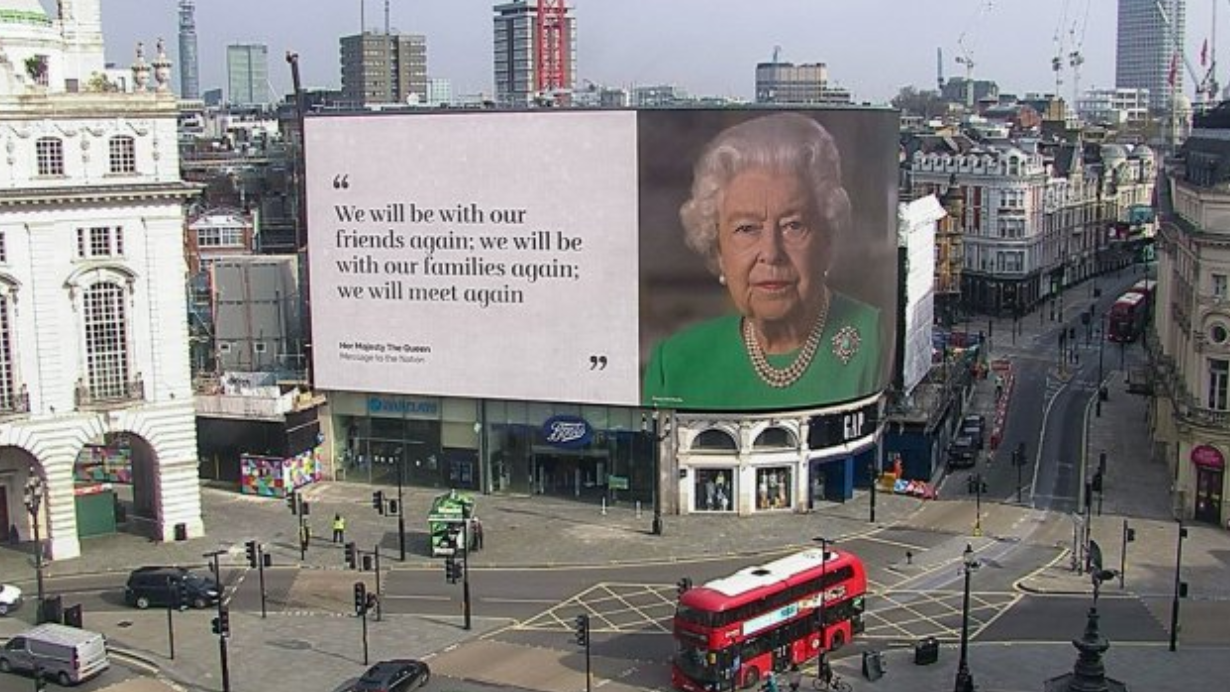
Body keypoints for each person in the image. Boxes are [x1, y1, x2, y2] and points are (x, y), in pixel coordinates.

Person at [642, 113, 882, 410]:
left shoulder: (876, 341)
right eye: (747, 228)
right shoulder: (674, 362)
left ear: (827, 238)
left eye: (793, 225)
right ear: (718, 251)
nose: (771, 252)